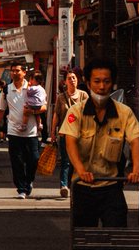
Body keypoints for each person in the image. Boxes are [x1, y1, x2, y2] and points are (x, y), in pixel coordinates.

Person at [60, 57, 139, 229]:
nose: (101, 86)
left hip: (111, 186)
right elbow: (70, 143)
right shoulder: (76, 111)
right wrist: (81, 171)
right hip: (83, 186)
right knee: (83, 238)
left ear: (112, 83)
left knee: (116, 234)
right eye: (97, 81)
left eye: (106, 81)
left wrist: (136, 170)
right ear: (88, 83)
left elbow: (135, 141)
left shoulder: (124, 112)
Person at [0, 63, 44, 198]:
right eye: (13, 71)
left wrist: (32, 111)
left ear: (24, 72)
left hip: (31, 131)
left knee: (33, 159)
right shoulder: (7, 90)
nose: (15, 73)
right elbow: (1, 111)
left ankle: (29, 181)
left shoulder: (32, 87)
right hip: (13, 131)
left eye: (17, 71)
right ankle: (21, 188)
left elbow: (44, 107)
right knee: (17, 162)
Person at [52, 69, 88, 198]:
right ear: (65, 82)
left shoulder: (84, 96)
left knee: (78, 160)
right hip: (65, 134)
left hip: (81, 134)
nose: (72, 80)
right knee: (66, 161)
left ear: (77, 80)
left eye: (74, 78)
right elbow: (56, 115)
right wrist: (52, 133)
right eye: (69, 78)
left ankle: (76, 185)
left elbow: (89, 114)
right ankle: (64, 185)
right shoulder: (61, 97)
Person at [25, 70, 47, 138]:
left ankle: (24, 124)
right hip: (40, 105)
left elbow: (28, 92)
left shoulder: (34, 88)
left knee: (25, 112)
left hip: (33, 105)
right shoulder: (42, 89)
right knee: (38, 115)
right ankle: (39, 124)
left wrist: (27, 86)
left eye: (31, 79)